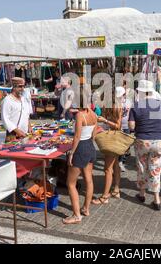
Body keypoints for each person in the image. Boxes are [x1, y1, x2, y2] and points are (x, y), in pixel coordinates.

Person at [129, 80, 161, 210]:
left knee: (142, 167)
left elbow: (131, 126)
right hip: (159, 140)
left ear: (140, 92)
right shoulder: (160, 104)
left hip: (143, 140)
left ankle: (142, 194)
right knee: (155, 169)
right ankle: (156, 199)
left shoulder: (136, 106)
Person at [63, 90, 98, 224]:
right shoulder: (93, 114)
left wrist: (71, 153)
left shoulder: (79, 115)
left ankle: (76, 215)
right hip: (90, 146)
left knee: (71, 183)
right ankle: (86, 209)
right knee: (89, 180)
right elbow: (94, 134)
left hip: (81, 147)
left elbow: (77, 136)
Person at [92, 87, 123, 205]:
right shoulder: (109, 107)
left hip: (113, 139)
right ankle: (116, 189)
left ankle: (105, 196)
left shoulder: (116, 107)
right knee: (115, 165)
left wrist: (105, 121)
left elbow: (118, 125)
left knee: (107, 169)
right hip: (110, 137)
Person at [0, 77, 32, 142]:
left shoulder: (23, 99)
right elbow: (5, 119)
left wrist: (29, 126)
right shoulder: (7, 100)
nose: (22, 89)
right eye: (20, 87)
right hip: (12, 134)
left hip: (25, 133)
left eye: (23, 86)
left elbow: (26, 114)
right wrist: (17, 131)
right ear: (14, 87)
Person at [117, 86, 132, 172]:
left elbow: (130, 113)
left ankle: (121, 161)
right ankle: (117, 162)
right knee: (117, 145)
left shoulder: (128, 102)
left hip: (126, 125)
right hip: (116, 126)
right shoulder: (113, 103)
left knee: (124, 145)